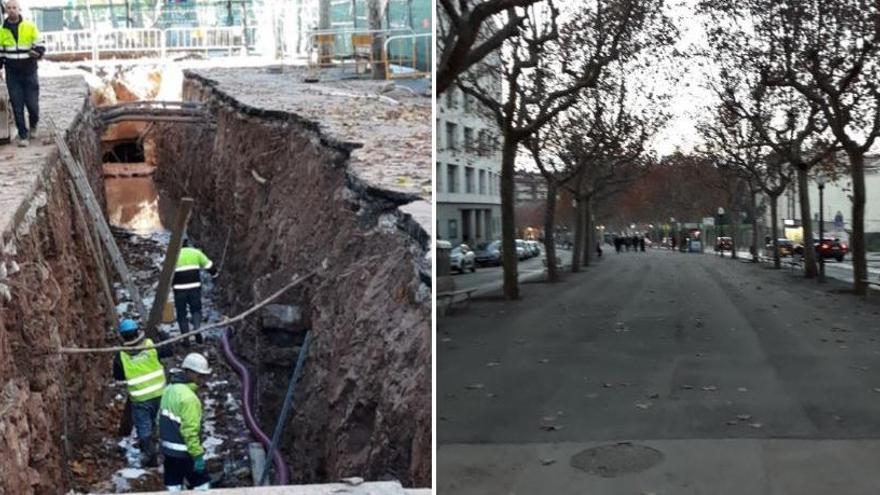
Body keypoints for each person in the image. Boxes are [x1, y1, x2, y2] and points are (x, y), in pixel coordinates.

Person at [112, 318, 171, 467]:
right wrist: (163, 334)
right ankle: (165, 449)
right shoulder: (151, 346)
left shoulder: (121, 355)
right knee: (160, 422)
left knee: (144, 428)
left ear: (122, 336)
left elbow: (118, 376)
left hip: (140, 398)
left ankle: (150, 457)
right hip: (160, 393)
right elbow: (168, 350)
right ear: (138, 331)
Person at [159, 353, 212, 491]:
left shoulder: (169, 389)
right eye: (199, 375)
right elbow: (189, 431)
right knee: (202, 487)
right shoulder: (189, 399)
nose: (202, 380)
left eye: (203, 376)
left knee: (173, 486)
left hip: (169, 452)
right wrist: (197, 456)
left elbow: (160, 420)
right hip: (185, 453)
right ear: (188, 372)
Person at [0, 0, 45, 147]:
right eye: (9, 8)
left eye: (14, 8)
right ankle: (23, 135)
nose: (12, 10)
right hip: (12, 73)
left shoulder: (29, 27)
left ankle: (33, 124)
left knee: (32, 105)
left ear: (19, 10)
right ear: (6, 10)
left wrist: (37, 52)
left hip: (29, 71)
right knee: (17, 105)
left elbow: (40, 44)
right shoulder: (1, 31)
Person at [172, 238, 218, 345]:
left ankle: (186, 339)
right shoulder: (196, 253)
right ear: (187, 244)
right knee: (196, 310)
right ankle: (197, 329)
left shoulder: (172, 256)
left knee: (181, 314)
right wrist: (215, 274)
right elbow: (210, 266)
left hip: (179, 290)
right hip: (194, 288)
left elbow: (166, 274)